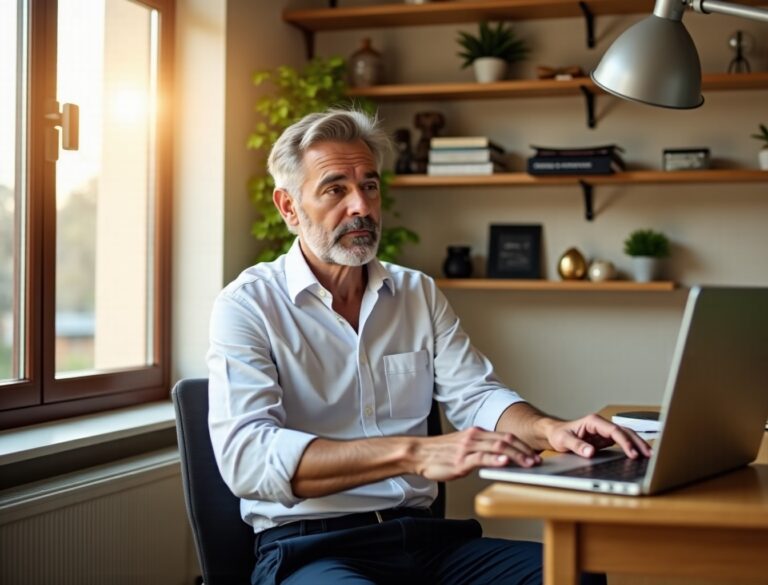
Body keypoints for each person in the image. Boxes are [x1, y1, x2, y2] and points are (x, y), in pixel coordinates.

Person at [207, 108, 651, 585]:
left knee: (572, 576)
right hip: (310, 548)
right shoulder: (247, 305)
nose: (361, 205)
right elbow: (249, 460)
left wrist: (550, 429)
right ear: (289, 208)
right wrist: (414, 453)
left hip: (426, 542)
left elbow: (476, 395)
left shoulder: (416, 292)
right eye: (336, 189)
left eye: (370, 186)